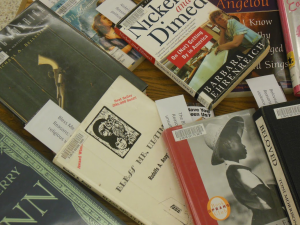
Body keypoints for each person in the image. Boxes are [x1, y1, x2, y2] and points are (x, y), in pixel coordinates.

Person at [204, 117, 287, 225]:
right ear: (228, 144)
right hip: (270, 218)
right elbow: (266, 194)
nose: (243, 145)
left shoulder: (233, 171)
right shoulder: (238, 172)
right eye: (238, 141)